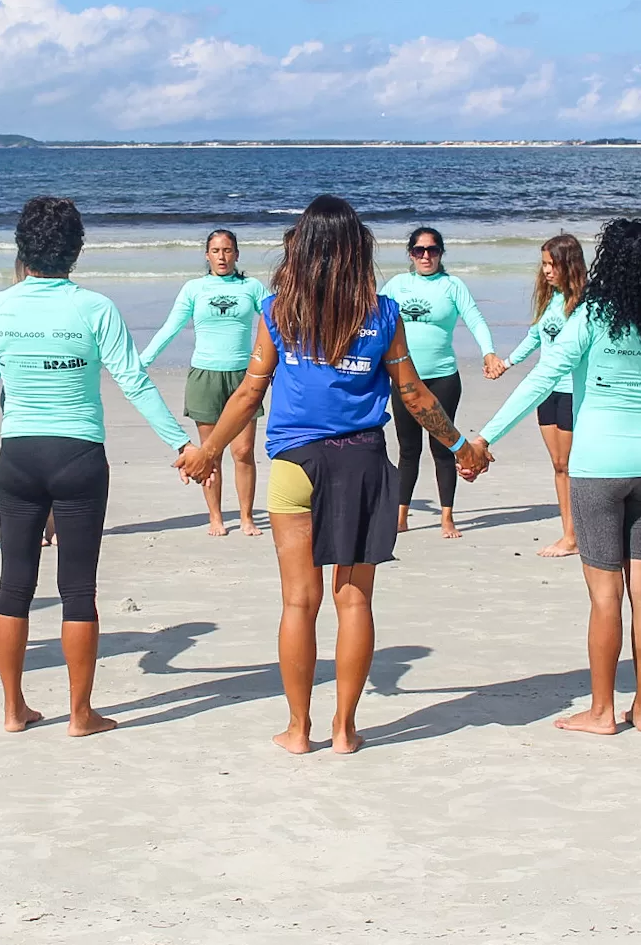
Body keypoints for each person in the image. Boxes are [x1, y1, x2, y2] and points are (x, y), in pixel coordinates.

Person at [177, 196, 486, 755]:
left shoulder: (277, 310)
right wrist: (462, 446)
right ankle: (344, 731)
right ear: (356, 249)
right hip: (363, 462)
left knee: (299, 601)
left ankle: (299, 730)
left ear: (302, 247)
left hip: (295, 465)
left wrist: (210, 451)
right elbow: (413, 394)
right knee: (355, 602)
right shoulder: (382, 313)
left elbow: (251, 391)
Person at [474, 219, 641, 734]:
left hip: (597, 466)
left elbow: (544, 378)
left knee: (604, 596)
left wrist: (485, 438)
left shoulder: (592, 317)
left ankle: (602, 712)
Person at [0, 197, 201, 737]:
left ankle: (12, 710)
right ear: (77, 250)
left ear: (22, 248)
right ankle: (80, 714)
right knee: (78, 589)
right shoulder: (95, 308)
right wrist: (180, 444)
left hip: (18, 455)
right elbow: (133, 380)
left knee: (13, 585)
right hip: (79, 457)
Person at [139, 229, 270, 537]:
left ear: (237, 254)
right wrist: (141, 362)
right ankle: (215, 517)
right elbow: (170, 327)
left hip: (243, 377)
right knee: (210, 452)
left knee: (243, 451)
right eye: (215, 250)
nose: (221, 256)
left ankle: (247, 517)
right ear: (206, 255)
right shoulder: (193, 289)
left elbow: (277, 323)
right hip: (205, 376)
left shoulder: (252, 287)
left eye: (227, 250)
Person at [380, 226, 504, 539]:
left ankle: (447, 518)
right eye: (419, 250)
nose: (426, 256)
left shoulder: (452, 285)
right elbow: (375, 321)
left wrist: (488, 353)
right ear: (410, 254)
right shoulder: (397, 285)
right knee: (408, 450)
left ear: (440, 254)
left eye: (432, 250)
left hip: (443, 378)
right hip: (406, 379)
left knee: (442, 447)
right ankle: (401, 515)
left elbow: (475, 318)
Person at [499, 233, 587, 557]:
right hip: (546, 391)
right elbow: (534, 336)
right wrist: (507, 363)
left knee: (571, 465)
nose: (547, 271)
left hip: (572, 391)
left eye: (552, 264)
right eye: (545, 264)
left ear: (569, 264)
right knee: (559, 465)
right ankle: (570, 532)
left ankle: (575, 535)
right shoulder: (550, 299)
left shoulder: (585, 304)